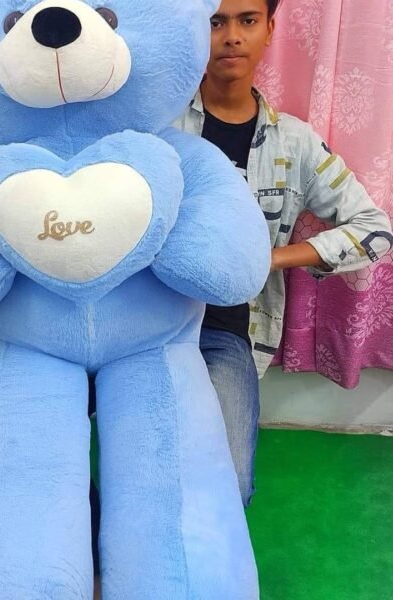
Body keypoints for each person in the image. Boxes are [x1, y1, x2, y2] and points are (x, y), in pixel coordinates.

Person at [172, 0, 393, 506]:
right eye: (215, 22)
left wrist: (271, 258)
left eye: (247, 20)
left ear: (270, 29)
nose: (231, 36)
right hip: (145, 324)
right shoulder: (160, 129)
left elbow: (375, 229)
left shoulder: (295, 143)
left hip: (227, 332)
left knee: (229, 490)